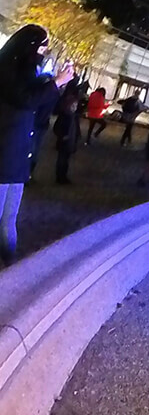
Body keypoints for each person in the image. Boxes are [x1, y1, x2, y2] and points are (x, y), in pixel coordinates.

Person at [0, 25, 73, 265]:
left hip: (18, 152)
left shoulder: (29, 70)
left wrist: (56, 83)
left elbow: (39, 105)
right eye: (42, 47)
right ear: (29, 46)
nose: (45, 51)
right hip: (4, 150)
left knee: (9, 218)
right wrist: (56, 83)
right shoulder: (8, 67)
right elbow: (25, 99)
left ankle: (10, 268)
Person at [51, 87, 81, 185]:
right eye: (73, 105)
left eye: (76, 105)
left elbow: (76, 128)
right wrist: (62, 136)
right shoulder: (65, 115)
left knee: (66, 160)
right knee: (62, 160)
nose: (75, 107)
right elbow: (57, 128)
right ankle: (59, 177)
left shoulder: (74, 116)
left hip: (70, 141)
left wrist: (77, 136)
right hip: (64, 141)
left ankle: (63, 176)